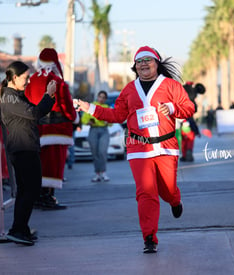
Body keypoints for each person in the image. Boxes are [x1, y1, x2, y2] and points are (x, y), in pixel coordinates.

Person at [76, 46, 195, 253]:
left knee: (167, 189)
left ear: (157, 63)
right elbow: (116, 116)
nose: (143, 64)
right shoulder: (129, 89)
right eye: (139, 62)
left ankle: (175, 200)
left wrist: (173, 109)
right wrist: (90, 108)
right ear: (135, 66)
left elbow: (189, 107)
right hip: (138, 147)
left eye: (148, 60)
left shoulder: (171, 85)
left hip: (166, 147)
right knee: (146, 192)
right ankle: (149, 237)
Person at [0, 61, 56, 245]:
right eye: (25, 78)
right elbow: (35, 113)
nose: (28, 81)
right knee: (30, 189)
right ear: (14, 77)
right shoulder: (10, 97)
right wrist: (49, 95)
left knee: (26, 190)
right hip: (23, 148)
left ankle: (21, 229)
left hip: (24, 147)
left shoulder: (14, 95)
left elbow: (33, 113)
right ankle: (17, 229)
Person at [25, 48, 78, 210]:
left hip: (36, 129)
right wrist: (74, 118)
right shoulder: (58, 82)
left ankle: (38, 196)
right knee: (54, 164)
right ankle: (48, 197)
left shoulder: (31, 80)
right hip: (57, 129)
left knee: (39, 164)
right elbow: (67, 107)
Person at [81, 91, 111, 182]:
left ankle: (104, 172)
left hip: (104, 130)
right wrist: (88, 122)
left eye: (103, 97)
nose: (101, 99)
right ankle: (97, 173)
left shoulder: (107, 108)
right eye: (100, 97)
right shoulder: (91, 106)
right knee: (95, 153)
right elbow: (84, 119)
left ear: (105, 99)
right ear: (97, 97)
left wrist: (108, 121)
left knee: (102, 152)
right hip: (93, 130)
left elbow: (112, 120)